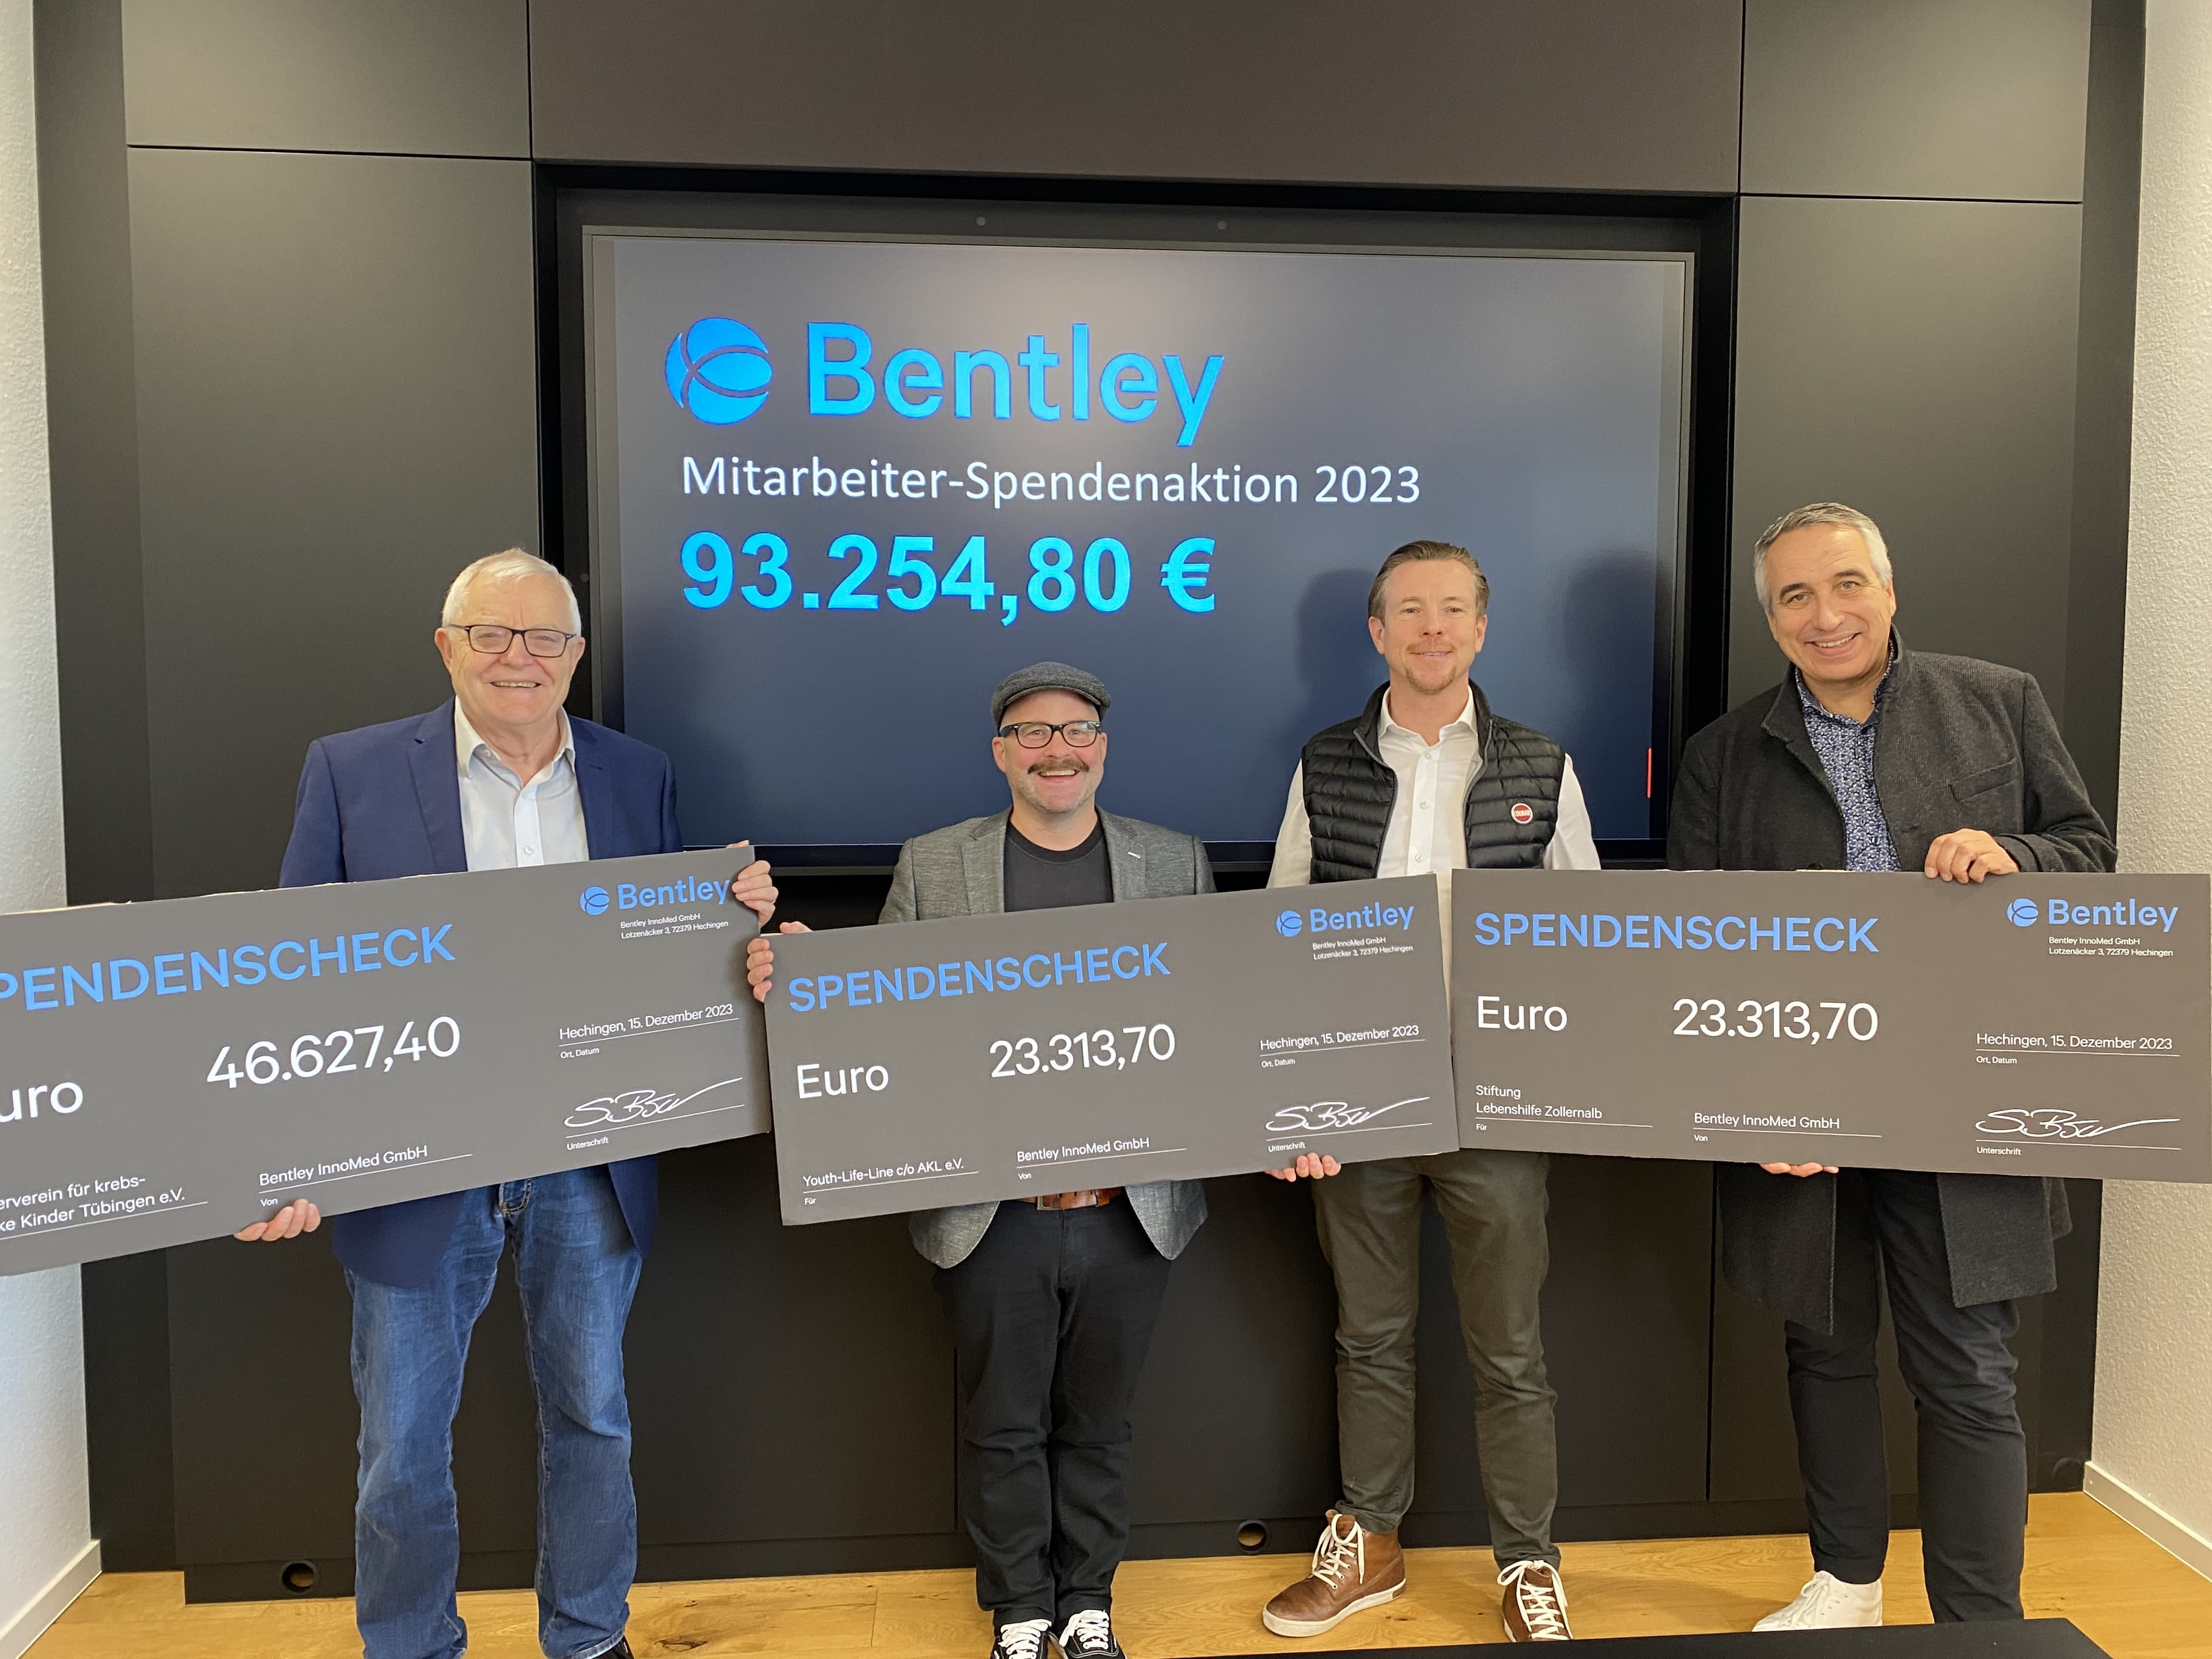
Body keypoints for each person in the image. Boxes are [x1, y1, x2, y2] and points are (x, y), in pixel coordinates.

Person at [238, 548, 777, 1659]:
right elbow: (288, 969)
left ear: (577, 656)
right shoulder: (352, 770)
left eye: (544, 638)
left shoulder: (641, 775)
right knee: (399, 1441)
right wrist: (283, 1154)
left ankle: (587, 1638)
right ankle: (410, 1644)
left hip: (592, 1154)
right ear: (447, 646)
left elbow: (664, 957)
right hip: (414, 1159)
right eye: (492, 633)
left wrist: (743, 925)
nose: (518, 658)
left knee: (593, 1417)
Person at [1668, 502, 2115, 1631]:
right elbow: (1687, 948)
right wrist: (1745, 1109)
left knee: (1968, 1369)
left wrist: (2012, 854)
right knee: (1821, 1345)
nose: (1828, 615)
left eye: (1848, 584)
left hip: (1966, 1087)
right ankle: (1850, 1583)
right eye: (1796, 597)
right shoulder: (1725, 756)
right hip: (1802, 1104)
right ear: (1770, 618)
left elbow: (2092, 856)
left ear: (1891, 588)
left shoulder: (1998, 705)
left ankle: (1980, 1625)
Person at [745, 662, 1209, 1659]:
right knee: (1001, 1424)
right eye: (1033, 734)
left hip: (1136, 1204)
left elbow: (1217, 1018)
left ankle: (1087, 1604)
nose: (1058, 750)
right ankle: (1019, 1611)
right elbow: (883, 1012)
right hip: (990, 1207)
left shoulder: (1173, 862)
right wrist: (800, 975)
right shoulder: (935, 864)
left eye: (1077, 731)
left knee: (1100, 1423)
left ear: (1103, 748)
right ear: (1002, 752)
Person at [1260, 540, 1600, 1645]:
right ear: (1378, 631)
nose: (1432, 628)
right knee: (1371, 1339)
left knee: (1511, 1350)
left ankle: (1527, 1564)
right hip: (1362, 1102)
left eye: (1453, 609)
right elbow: (1284, 932)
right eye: (1410, 610)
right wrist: (1298, 1093)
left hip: (1493, 1101)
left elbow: (1586, 937)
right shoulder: (1323, 763)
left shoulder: (1540, 764)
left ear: (1482, 629)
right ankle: (1373, 1543)